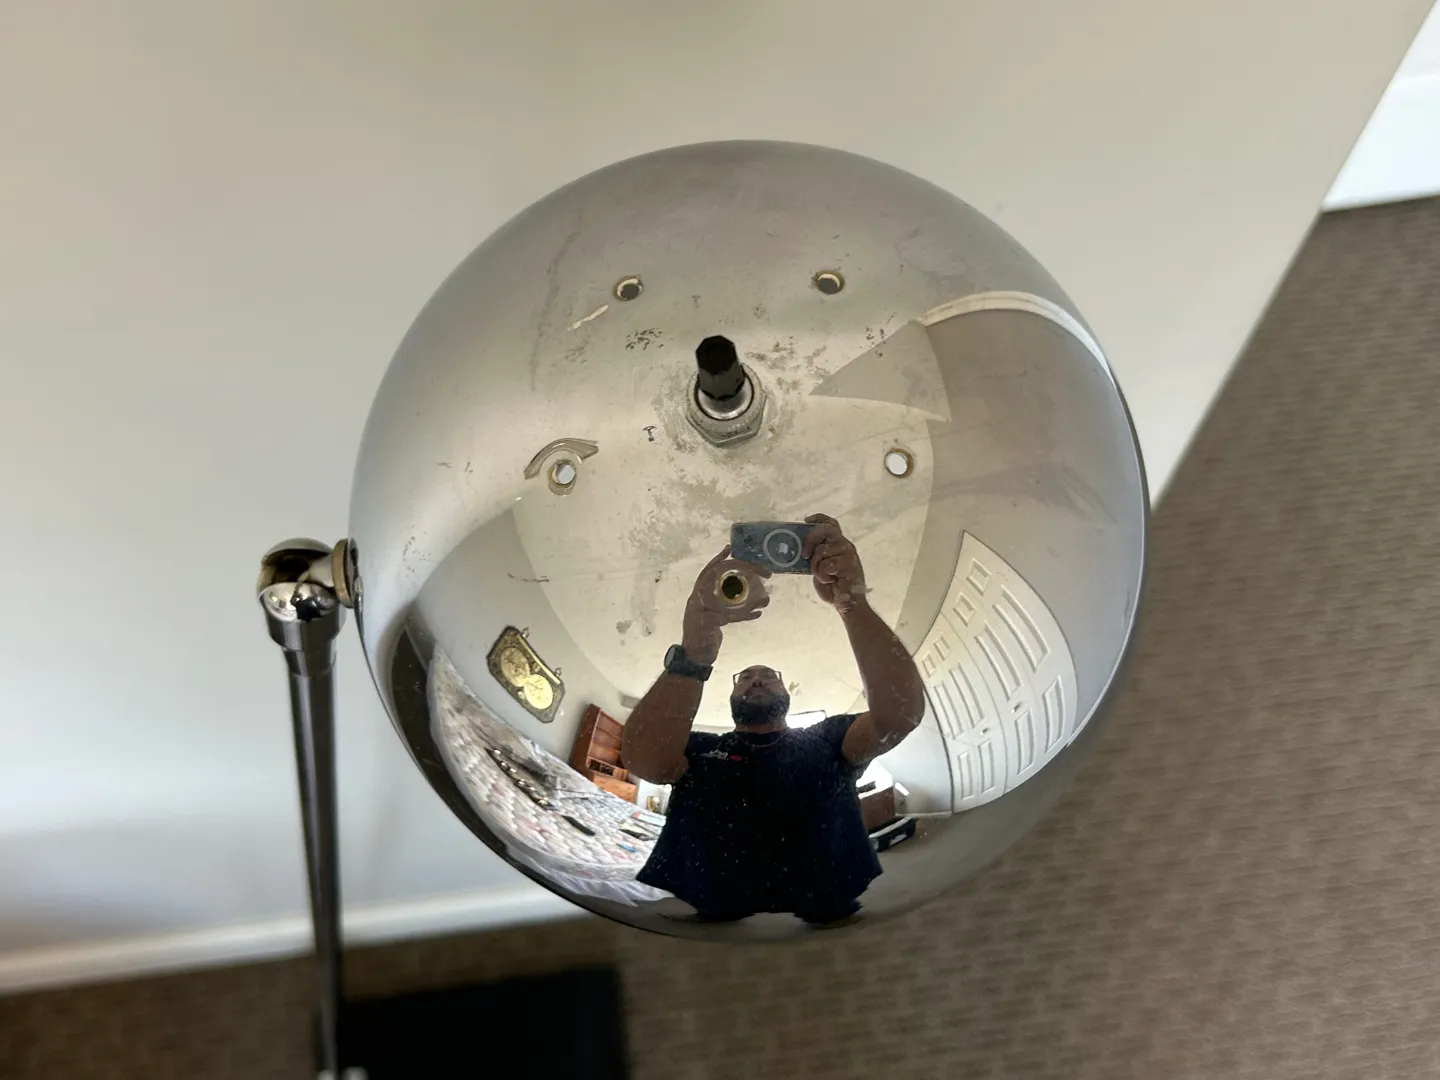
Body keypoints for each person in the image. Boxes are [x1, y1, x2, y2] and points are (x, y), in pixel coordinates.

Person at [622, 514, 926, 924]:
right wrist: (694, 652)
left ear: (786, 693)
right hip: (712, 916)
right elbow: (645, 762)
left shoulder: (827, 737)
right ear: (731, 696)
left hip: (831, 910)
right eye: (746, 677)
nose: (756, 680)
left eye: (768, 676)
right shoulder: (702, 747)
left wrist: (851, 602)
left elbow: (899, 717)